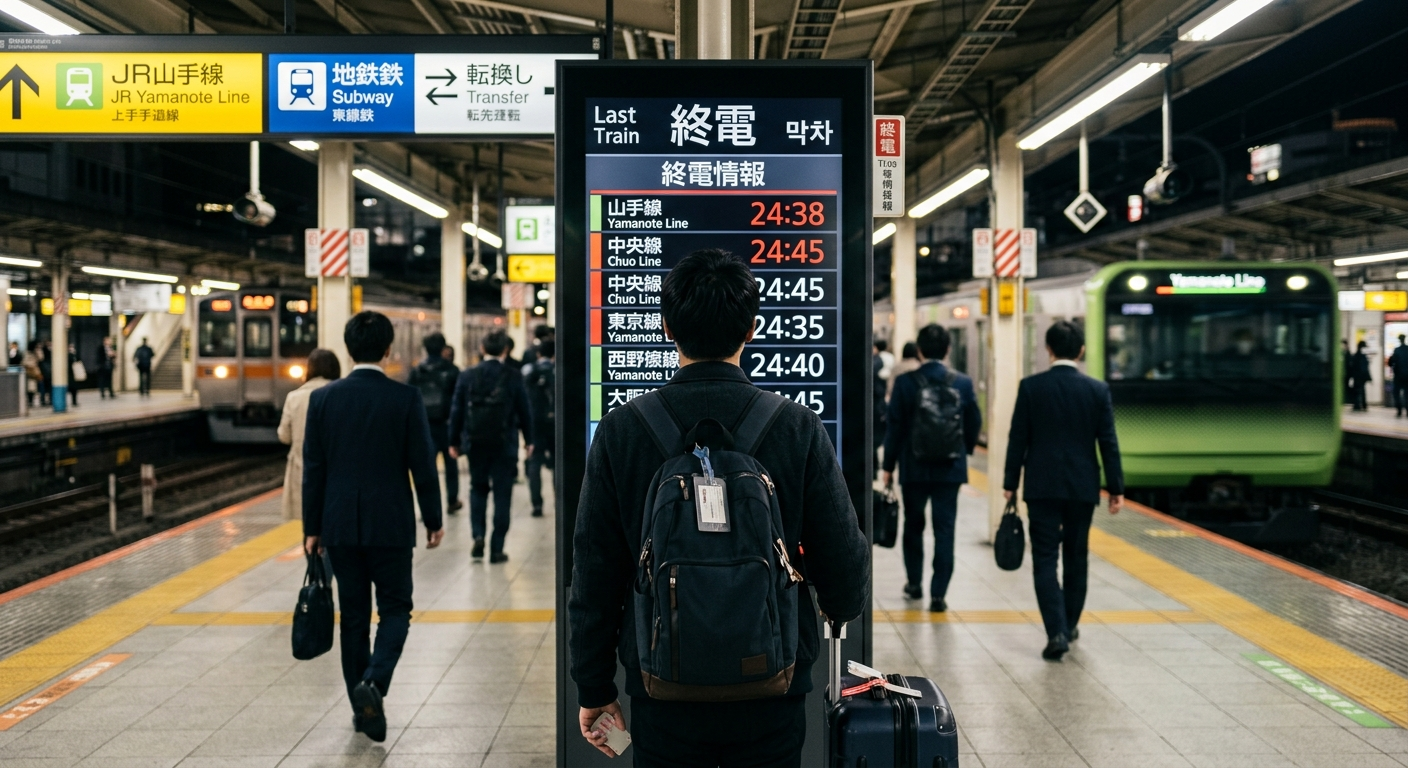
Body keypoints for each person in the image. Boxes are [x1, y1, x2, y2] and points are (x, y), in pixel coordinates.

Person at [569, 249, 870, 767]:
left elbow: (595, 572)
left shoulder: (622, 431)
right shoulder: (797, 427)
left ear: (667, 327)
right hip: (772, 687)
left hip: (662, 688)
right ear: (751, 329)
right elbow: (844, 564)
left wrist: (595, 688)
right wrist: (837, 608)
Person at [302, 312, 444, 743]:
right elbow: (423, 464)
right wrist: (434, 519)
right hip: (391, 523)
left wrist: (312, 527)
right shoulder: (405, 398)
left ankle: (361, 709)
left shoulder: (323, 399)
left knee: (354, 617)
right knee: (396, 609)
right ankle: (375, 683)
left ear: (348, 350)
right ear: (388, 350)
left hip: (339, 523)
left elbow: (314, 469)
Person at [1003, 320, 1124, 661]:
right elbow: (1108, 442)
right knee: (1076, 555)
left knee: (1044, 558)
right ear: (1081, 351)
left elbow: (1018, 438)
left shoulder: (1031, 387)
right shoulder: (1097, 390)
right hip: (1082, 487)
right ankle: (1069, 625)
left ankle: (1055, 632)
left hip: (1041, 486)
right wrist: (1116, 487)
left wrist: (1010, 483)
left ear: (1049, 349)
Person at [883, 324, 981, 612]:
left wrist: (888, 466)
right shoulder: (962, 383)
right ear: (948, 349)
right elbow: (974, 421)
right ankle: (939, 594)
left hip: (914, 467)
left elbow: (895, 428)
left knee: (913, 525)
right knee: (944, 529)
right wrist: (963, 450)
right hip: (950, 469)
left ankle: (914, 583)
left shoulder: (906, 382)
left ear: (920, 350)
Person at [448, 330, 532, 563]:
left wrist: (453, 441)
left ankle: (478, 535)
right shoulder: (513, 375)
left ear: (482, 349)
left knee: (477, 488)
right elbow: (524, 410)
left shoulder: (467, 375)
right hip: (505, 444)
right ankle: (497, 548)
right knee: (503, 494)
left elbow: (457, 411)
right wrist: (530, 440)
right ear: (505, 350)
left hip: (475, 443)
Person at [278, 349, 340, 521]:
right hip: (334, 471)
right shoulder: (339, 394)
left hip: (301, 470)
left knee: (308, 520)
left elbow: (284, 436)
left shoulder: (294, 397)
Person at [409, 332, 463, 516]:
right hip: (447, 425)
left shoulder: (417, 371)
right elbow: (459, 402)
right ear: (443, 348)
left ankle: (430, 507)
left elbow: (410, 400)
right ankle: (452, 500)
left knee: (428, 469)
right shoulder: (453, 370)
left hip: (425, 427)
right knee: (451, 466)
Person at [522, 338, 555, 517]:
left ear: (538, 353)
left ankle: (537, 504)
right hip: (554, 424)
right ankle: (559, 501)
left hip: (534, 423)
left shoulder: (529, 371)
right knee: (558, 464)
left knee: (534, 463)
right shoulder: (557, 371)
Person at [1350, 340, 1372, 411]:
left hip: (1357, 376)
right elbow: (1365, 367)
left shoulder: (1355, 356)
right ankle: (1363, 405)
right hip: (1362, 376)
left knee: (1357, 390)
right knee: (1362, 390)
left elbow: (1352, 367)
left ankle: (1357, 405)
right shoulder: (1363, 356)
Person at [1390, 334, 1408, 417]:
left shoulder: (1396, 350)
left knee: (1396, 393)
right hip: (1407, 376)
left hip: (1398, 376)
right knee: (1407, 394)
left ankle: (1399, 410)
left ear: (1399, 340)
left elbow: (1391, 362)